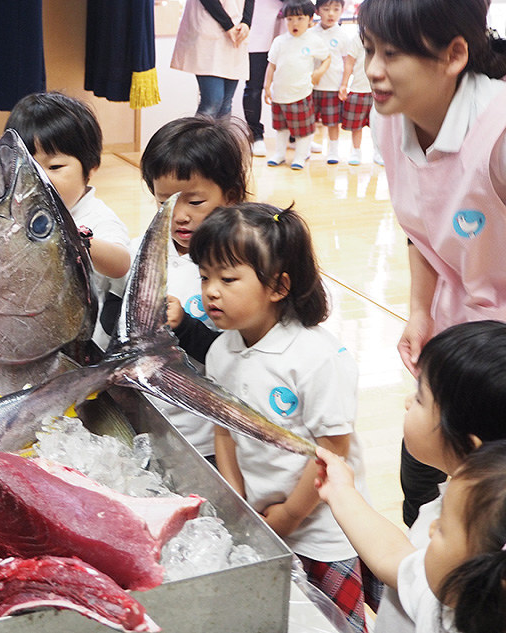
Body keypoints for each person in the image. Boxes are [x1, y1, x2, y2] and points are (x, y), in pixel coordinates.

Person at [171, 202, 378, 633]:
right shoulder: (220, 349)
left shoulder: (316, 358)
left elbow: (332, 452)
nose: (211, 291)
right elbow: (224, 430)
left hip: (321, 529)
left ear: (278, 286)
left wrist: (289, 516)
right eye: (205, 276)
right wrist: (238, 497)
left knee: (333, 624)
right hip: (264, 520)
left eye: (228, 279)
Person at [358, 0, 506, 528]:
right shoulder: (391, 121)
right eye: (369, 49)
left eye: (392, 54)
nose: (373, 69)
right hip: (453, 338)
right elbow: (420, 232)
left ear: (454, 55)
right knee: (421, 484)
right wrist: (420, 311)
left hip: (496, 361)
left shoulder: (499, 135)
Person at [324, 320, 506, 633]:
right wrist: (341, 491)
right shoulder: (455, 577)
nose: (408, 401)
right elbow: (399, 561)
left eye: (420, 398)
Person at [101, 115, 252, 464]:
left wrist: (184, 327)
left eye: (194, 202)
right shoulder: (143, 249)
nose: (179, 215)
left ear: (230, 196)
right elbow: (112, 312)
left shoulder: (239, 270)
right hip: (146, 422)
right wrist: (132, 319)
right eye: (164, 202)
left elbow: (241, 358)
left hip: (207, 437)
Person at [316, 440, 506, 633]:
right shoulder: (443, 595)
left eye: (442, 527)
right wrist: (340, 491)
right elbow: (390, 555)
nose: (431, 528)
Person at [5, 91, 131, 347]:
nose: (41, 179)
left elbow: (121, 263)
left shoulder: (96, 218)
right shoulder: (18, 213)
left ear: (90, 167)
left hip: (82, 345)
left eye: (54, 167)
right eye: (28, 167)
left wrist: (78, 238)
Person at [264, 0, 331, 169]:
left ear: (310, 19)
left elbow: (327, 58)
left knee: (303, 130)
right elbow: (271, 65)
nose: (294, 23)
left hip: (301, 93)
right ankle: (279, 154)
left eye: (300, 18)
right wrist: (267, 86)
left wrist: (319, 72)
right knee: (281, 128)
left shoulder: (313, 40)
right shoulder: (279, 41)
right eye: (290, 19)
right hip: (279, 94)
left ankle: (300, 156)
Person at [170, 0, 254, 118]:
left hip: (236, 30)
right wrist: (228, 25)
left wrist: (246, 22)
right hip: (209, 27)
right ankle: (198, 137)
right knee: (212, 102)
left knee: (226, 104)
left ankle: (222, 137)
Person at [242, 0, 284, 157]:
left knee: (291, 83)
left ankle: (294, 134)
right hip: (255, 34)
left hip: (287, 30)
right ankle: (256, 135)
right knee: (253, 88)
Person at [312, 0, 348, 164]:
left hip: (333, 86)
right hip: (311, 86)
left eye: (336, 9)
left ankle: (333, 150)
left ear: (342, 10)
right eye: (326, 9)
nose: (331, 14)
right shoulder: (310, 33)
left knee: (333, 122)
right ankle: (306, 147)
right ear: (318, 11)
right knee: (308, 120)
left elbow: (348, 62)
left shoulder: (343, 36)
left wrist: (344, 84)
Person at [338, 29, 375, 166]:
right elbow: (349, 62)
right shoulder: (358, 38)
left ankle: (378, 151)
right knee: (356, 126)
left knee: (378, 126)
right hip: (358, 89)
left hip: (379, 90)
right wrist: (344, 84)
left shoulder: (386, 35)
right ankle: (356, 150)